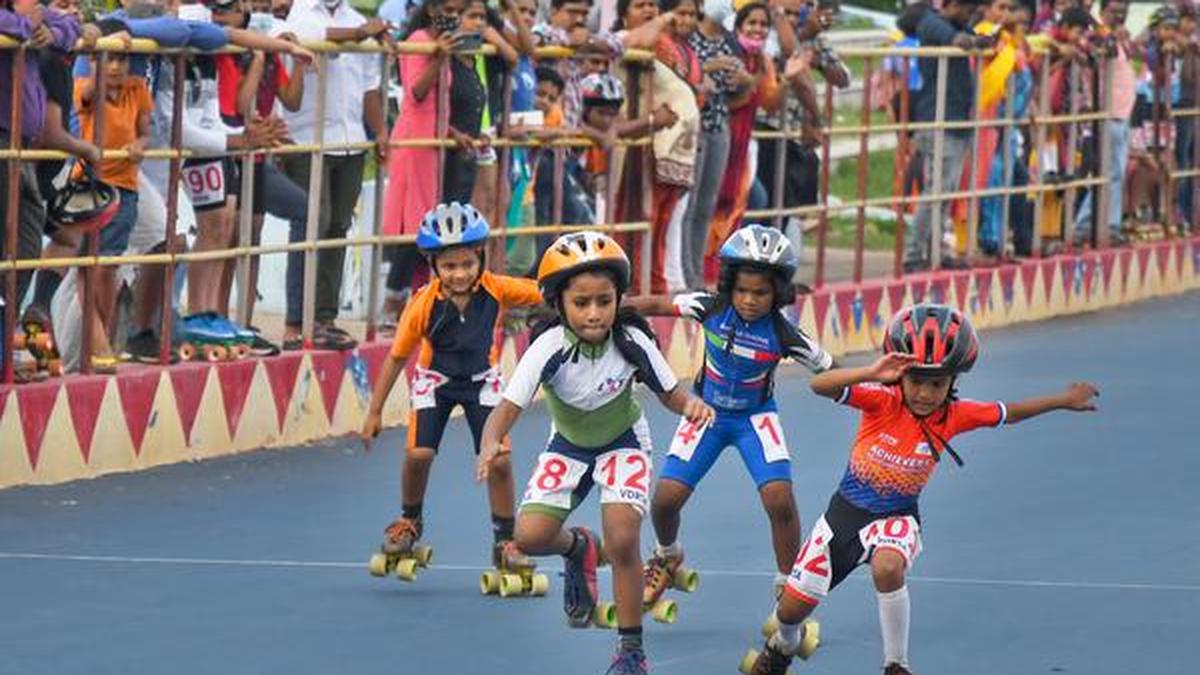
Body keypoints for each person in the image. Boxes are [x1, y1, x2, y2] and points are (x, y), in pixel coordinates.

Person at [743, 303, 1100, 675]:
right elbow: (818, 385)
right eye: (916, 381)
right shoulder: (881, 400)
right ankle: (784, 645)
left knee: (888, 566)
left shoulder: (956, 416)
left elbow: (1009, 411)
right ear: (900, 376)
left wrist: (1062, 401)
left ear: (953, 383)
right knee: (790, 610)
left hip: (896, 516)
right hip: (843, 516)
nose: (926, 394)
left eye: (937, 384)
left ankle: (897, 664)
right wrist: (870, 372)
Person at [476, 232, 714, 675]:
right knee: (527, 537)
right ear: (558, 302)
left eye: (604, 301)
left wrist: (692, 405)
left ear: (618, 298)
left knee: (623, 539)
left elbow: (669, 392)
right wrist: (491, 441)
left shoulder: (631, 340)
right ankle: (579, 547)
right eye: (581, 302)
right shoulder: (547, 347)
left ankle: (630, 651)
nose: (594, 313)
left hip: (622, 441)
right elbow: (507, 406)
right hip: (567, 445)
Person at [624, 225, 833, 613]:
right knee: (665, 501)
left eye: (761, 293)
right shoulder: (711, 307)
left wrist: (878, 388)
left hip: (755, 417)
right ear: (728, 286)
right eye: (741, 291)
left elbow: (831, 369)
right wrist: (611, 307)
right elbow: (656, 304)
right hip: (705, 413)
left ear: (778, 293)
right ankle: (668, 555)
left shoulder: (785, 334)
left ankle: (789, 584)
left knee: (779, 500)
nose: (749, 301)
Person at [361, 202, 544, 585]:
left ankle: (505, 540)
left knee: (499, 461)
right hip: (435, 381)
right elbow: (396, 359)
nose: (459, 274)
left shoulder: (496, 288)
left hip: (482, 380)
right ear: (433, 266)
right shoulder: (422, 305)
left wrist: (573, 297)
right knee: (419, 453)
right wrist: (374, 412)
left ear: (480, 257)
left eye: (466, 264)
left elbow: (541, 292)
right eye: (449, 266)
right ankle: (410, 520)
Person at [280, 0, 390, 351]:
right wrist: (360, 34)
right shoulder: (299, 12)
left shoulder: (359, 20)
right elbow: (303, 36)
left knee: (338, 227)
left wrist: (380, 132)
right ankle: (296, 321)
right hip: (306, 138)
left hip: (351, 140)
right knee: (312, 223)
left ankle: (325, 319)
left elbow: (369, 89)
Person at [72, 50, 154, 372]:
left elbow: (145, 132)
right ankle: (98, 343)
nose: (116, 66)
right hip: (90, 183)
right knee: (86, 266)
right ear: (93, 62)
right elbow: (88, 95)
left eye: (121, 59)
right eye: (108, 58)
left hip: (125, 186)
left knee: (107, 267)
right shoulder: (85, 86)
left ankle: (102, 338)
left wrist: (140, 145)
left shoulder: (137, 88)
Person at [902, 0, 990, 272]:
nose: (971, 16)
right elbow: (959, 40)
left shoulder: (951, 23)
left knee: (943, 193)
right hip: (939, 120)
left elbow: (969, 39)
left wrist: (982, 39)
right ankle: (914, 255)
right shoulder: (933, 23)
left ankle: (936, 251)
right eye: (969, 10)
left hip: (953, 120)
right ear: (951, 5)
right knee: (935, 194)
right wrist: (973, 40)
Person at [679, 0, 743, 289]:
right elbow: (681, 72)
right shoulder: (689, 37)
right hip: (693, 127)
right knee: (688, 206)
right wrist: (708, 66)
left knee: (706, 205)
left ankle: (697, 276)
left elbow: (741, 88)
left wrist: (742, 78)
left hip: (720, 125)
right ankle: (683, 272)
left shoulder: (729, 38)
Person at [1072, 0, 1135, 247]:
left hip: (1121, 112)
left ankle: (1105, 224)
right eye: (1114, 11)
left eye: (1123, 12)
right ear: (1102, 11)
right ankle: (1091, 225)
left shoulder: (1120, 39)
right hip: (1107, 112)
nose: (1119, 16)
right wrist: (1111, 38)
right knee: (1110, 172)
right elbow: (1095, 53)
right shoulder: (1094, 35)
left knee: (1114, 173)